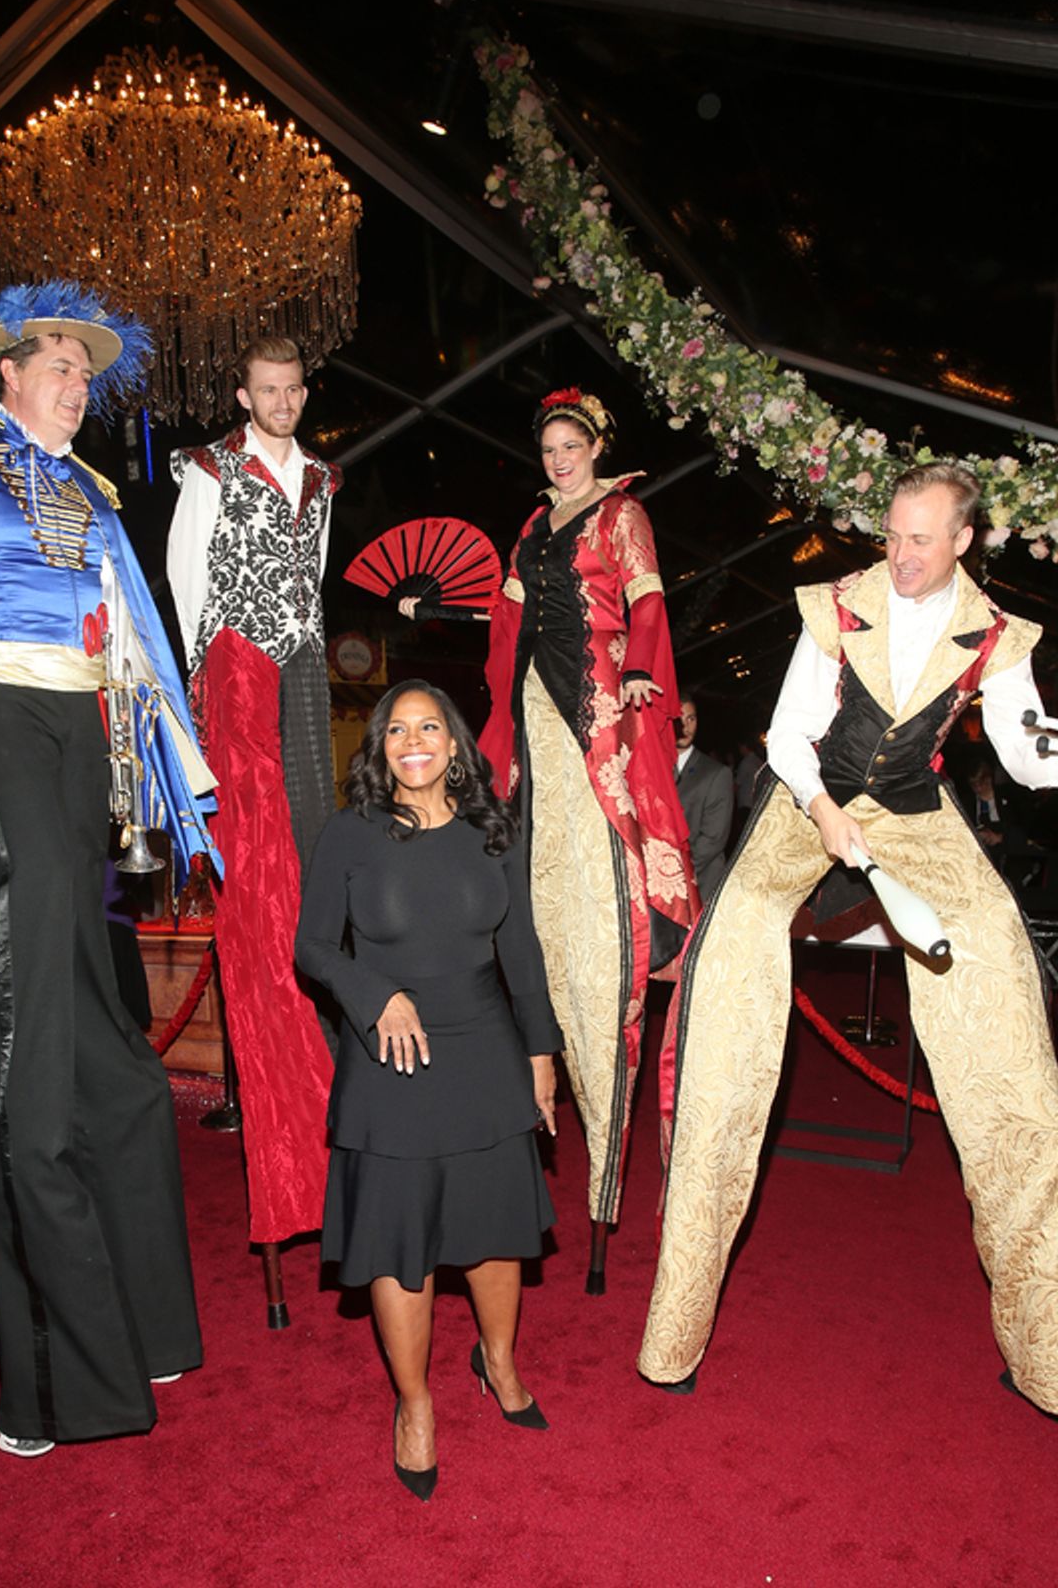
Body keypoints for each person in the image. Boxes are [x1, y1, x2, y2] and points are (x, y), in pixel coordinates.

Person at [0, 283, 218, 1456]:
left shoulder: (94, 494)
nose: (78, 385)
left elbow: (132, 644)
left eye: (86, 372)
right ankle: (58, 1388)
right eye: (59, 366)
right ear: (8, 373)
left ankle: (150, 1324)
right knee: (27, 1037)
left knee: (110, 1045)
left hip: (82, 737)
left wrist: (146, 774)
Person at [638, 462, 1058, 1416]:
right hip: (808, 801)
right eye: (892, 534)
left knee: (1013, 1036)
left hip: (915, 814)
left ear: (963, 541)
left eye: (921, 539)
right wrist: (826, 816)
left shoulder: (995, 631)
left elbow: (1027, 753)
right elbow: (789, 735)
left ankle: (1044, 1346)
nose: (899, 555)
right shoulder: (838, 604)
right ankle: (674, 1332)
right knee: (728, 991)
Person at [295, 680, 561, 1501]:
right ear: (380, 746)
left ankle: (499, 1362)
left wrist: (541, 1054)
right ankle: (414, 1404)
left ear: (454, 744)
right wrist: (373, 994)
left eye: (430, 727)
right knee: (400, 1240)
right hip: (392, 1057)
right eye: (397, 730)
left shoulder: (494, 828)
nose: (414, 741)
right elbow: (313, 947)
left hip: (484, 1048)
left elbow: (521, 949)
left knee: (494, 1230)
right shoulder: (351, 832)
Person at [478, 387, 696, 1289]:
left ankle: (607, 1149)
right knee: (532, 876)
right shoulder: (533, 526)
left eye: (572, 445)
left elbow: (647, 602)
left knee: (609, 885)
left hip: (598, 697)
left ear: (598, 446)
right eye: (549, 448)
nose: (560, 459)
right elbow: (507, 621)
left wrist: (640, 669)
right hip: (534, 703)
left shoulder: (622, 515)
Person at [168, 336, 339, 1325]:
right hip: (234, 672)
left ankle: (338, 1125)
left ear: (303, 394)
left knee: (313, 878)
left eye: (291, 391)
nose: (279, 402)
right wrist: (203, 705)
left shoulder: (321, 478)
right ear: (243, 395)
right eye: (265, 391)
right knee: (260, 895)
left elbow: (311, 578)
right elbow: (186, 585)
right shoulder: (208, 469)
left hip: (303, 673)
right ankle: (283, 1140)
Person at [674, 697, 733, 903]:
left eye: (691, 719)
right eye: (679, 719)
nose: (686, 727)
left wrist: (674, 873)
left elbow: (713, 839)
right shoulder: (652, 767)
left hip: (701, 885)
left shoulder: (716, 773)